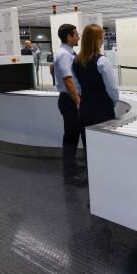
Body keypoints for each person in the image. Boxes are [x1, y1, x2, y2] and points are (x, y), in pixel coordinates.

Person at [53, 24, 86, 186]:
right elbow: (68, 80)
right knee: (71, 136)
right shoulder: (65, 55)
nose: (78, 37)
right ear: (69, 37)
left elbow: (53, 69)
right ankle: (69, 174)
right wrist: (78, 101)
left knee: (73, 135)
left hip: (69, 99)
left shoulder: (65, 53)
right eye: (76, 34)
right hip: (70, 100)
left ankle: (71, 166)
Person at [73, 24, 119, 131]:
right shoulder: (102, 61)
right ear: (96, 40)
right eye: (101, 38)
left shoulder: (75, 61)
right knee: (104, 142)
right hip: (102, 109)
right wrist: (114, 101)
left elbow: (78, 87)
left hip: (85, 108)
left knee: (87, 142)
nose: (102, 41)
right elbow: (112, 88)